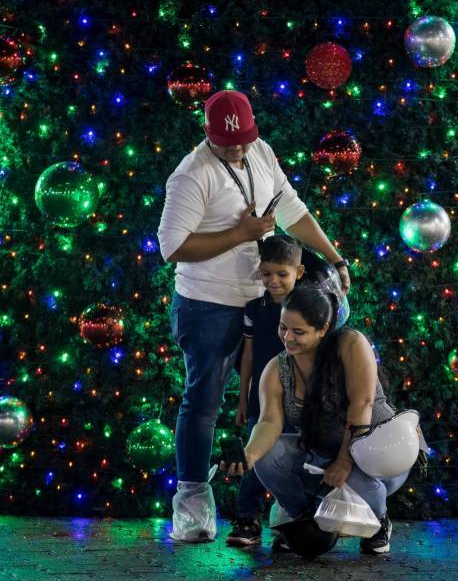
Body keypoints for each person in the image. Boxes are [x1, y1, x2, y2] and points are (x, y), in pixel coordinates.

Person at [157, 90, 351, 541]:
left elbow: (292, 210)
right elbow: (173, 248)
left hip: (266, 303)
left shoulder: (261, 152)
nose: (239, 150)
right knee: (203, 400)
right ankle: (192, 504)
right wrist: (239, 233)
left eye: (245, 140)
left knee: (279, 402)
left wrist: (335, 259)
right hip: (207, 305)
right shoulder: (191, 175)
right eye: (229, 145)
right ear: (208, 135)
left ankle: (283, 500)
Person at [242, 285, 419, 555]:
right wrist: (249, 454)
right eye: (283, 328)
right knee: (267, 457)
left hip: (379, 456)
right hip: (322, 456)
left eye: (298, 332)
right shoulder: (277, 369)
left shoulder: (350, 343)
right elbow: (269, 422)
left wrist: (344, 461)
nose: (287, 338)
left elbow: (362, 404)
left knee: (359, 484)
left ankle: (379, 520)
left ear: (323, 328)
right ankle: (306, 518)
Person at [226, 235, 304, 548]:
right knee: (256, 455)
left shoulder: (309, 306)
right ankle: (247, 517)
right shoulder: (254, 309)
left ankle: (295, 522)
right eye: (266, 273)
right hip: (261, 396)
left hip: (300, 399)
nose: (273, 281)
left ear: (298, 272)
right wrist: (242, 397)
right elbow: (247, 355)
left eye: (281, 274)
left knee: (296, 456)